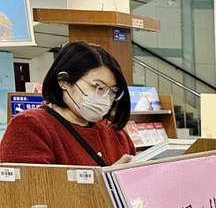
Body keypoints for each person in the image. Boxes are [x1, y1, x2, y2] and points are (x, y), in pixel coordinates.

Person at [0, 41, 133, 166]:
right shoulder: (30, 125)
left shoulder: (115, 132)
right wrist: (108, 178)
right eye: (97, 87)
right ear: (64, 81)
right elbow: (28, 181)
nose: (105, 97)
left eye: (112, 91)